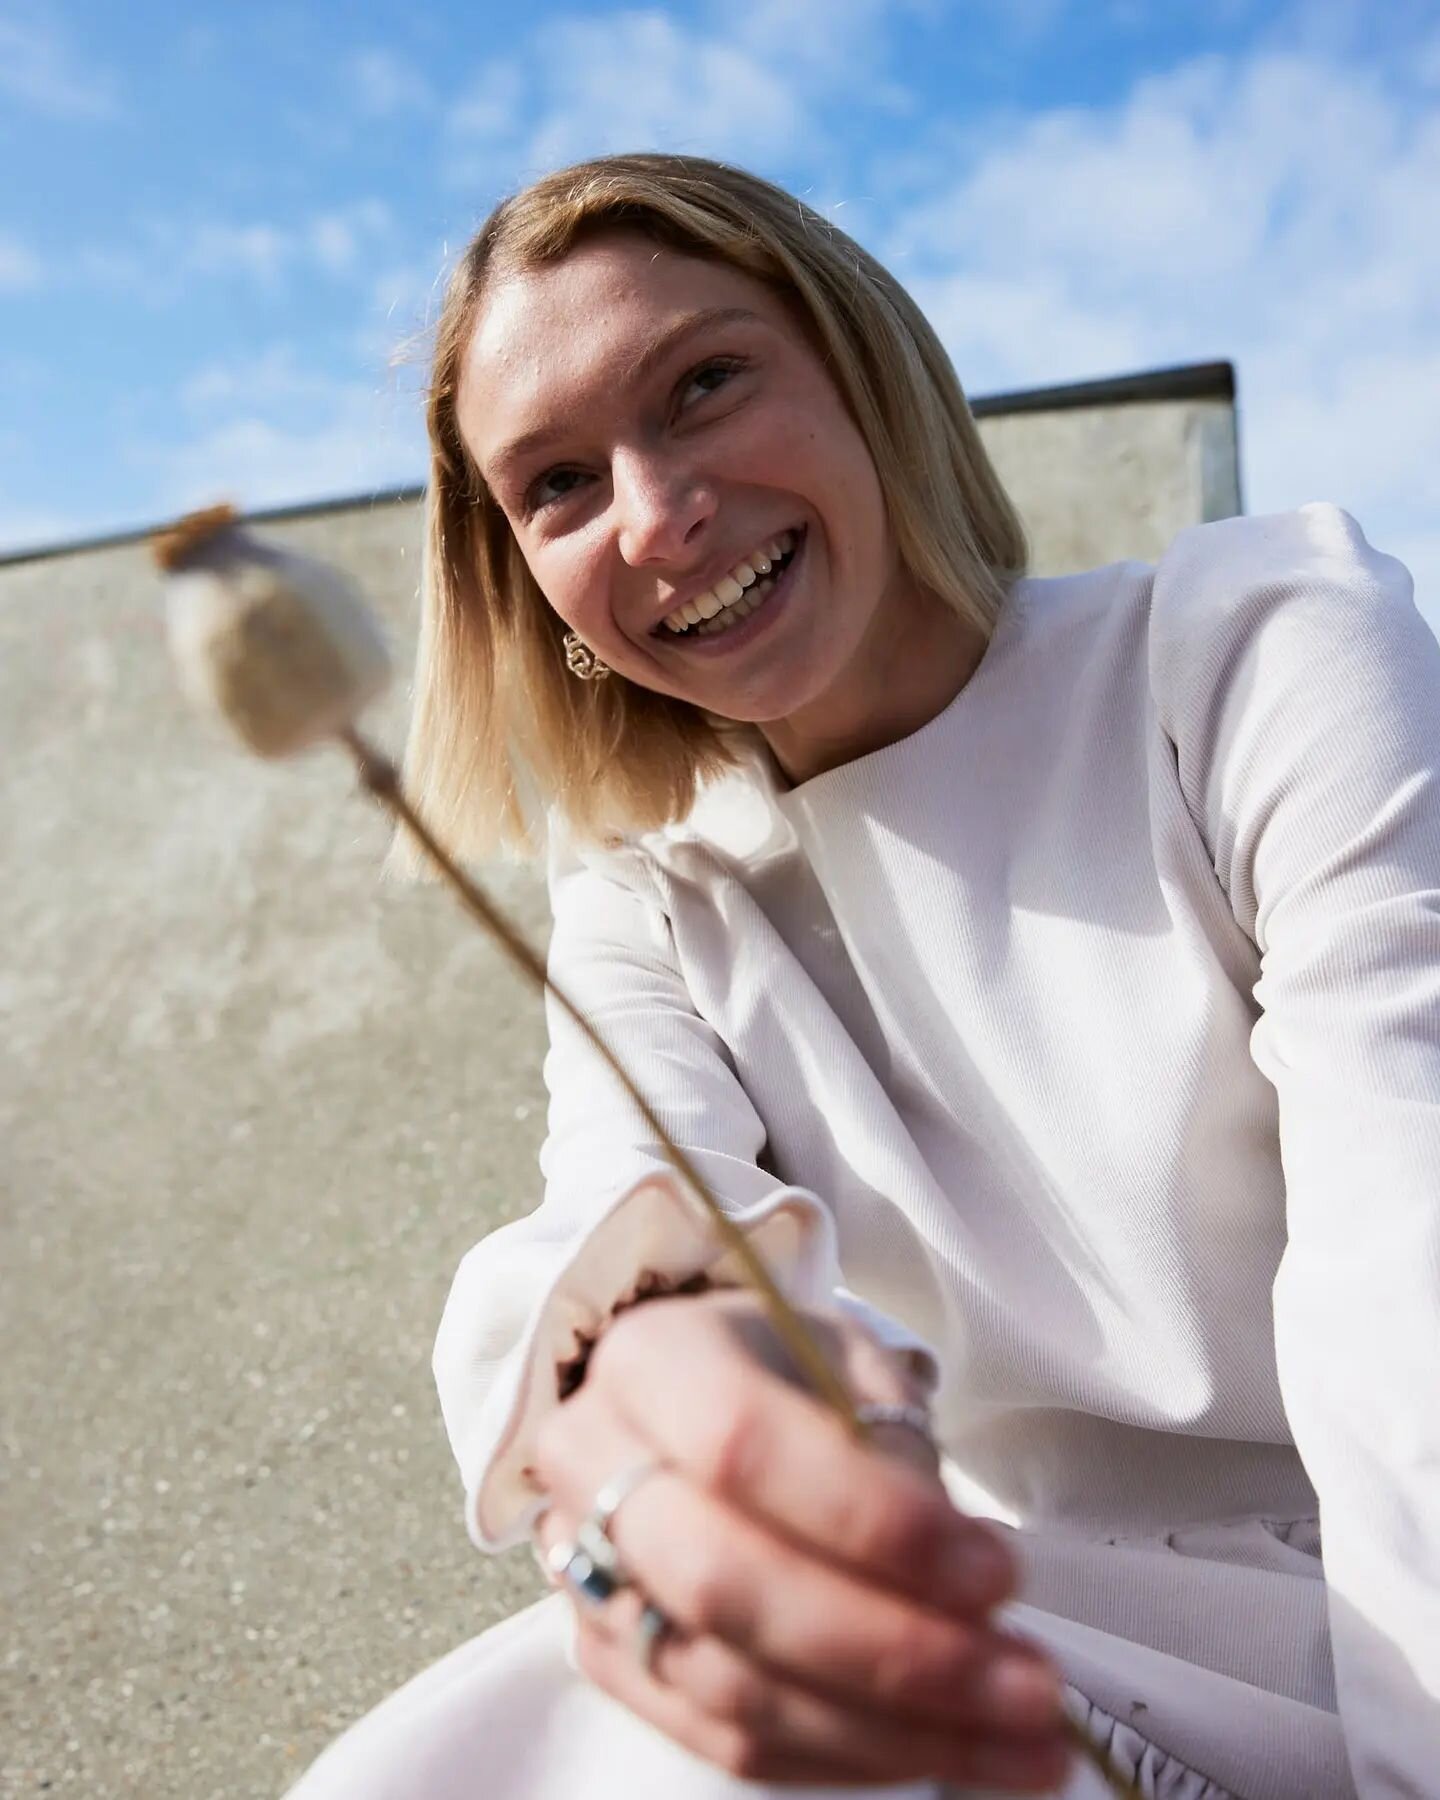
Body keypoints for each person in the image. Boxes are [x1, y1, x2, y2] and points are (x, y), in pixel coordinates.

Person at [287, 153, 1440, 1799]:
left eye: (703, 383)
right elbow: (621, 1217)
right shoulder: (649, 903)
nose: (657, 511)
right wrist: (646, 1397)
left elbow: (1415, 1276)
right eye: (556, 484)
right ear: (526, 585)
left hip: (1382, 1603)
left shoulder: (1253, 656)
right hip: (1023, 1648)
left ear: (860, 364)